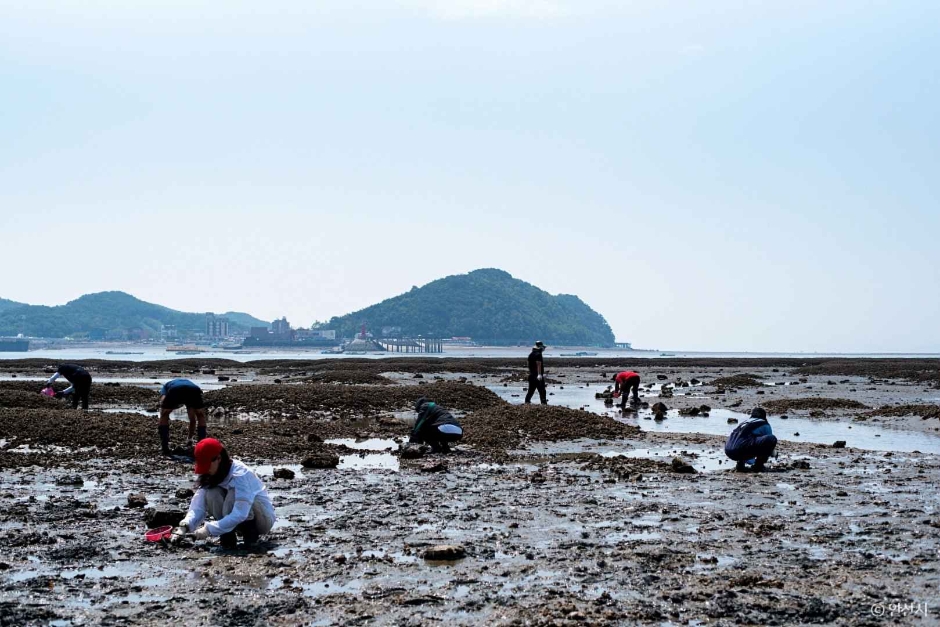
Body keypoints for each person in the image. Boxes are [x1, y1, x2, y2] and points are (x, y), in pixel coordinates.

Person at [171, 438, 275, 549]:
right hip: (236, 519)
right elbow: (197, 507)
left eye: (207, 465)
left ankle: (251, 540)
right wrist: (184, 527)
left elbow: (240, 513)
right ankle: (227, 538)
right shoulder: (211, 474)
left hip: (262, 520)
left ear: (219, 458)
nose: (205, 470)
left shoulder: (240, 474)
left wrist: (207, 530)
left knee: (232, 496)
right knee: (212, 494)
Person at [158, 378, 208, 455]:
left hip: (175, 390)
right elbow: (192, 420)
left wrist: (166, 410)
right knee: (200, 415)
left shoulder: (165, 387)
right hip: (194, 390)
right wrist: (189, 438)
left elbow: (163, 402)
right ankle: (201, 446)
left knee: (164, 414)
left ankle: (165, 447)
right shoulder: (188, 384)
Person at [725, 407, 778, 472]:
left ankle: (740, 464)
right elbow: (769, 444)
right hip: (741, 449)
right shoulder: (763, 423)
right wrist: (774, 453)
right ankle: (758, 466)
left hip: (728, 450)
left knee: (744, 441)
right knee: (772, 438)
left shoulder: (744, 423)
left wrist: (750, 460)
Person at [524, 340, 548, 405]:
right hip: (537, 376)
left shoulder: (530, 354)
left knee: (530, 391)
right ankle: (543, 403)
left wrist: (531, 372)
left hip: (531, 375)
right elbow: (538, 364)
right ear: (540, 348)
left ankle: (527, 402)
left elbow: (528, 364)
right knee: (542, 391)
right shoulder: (538, 355)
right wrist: (539, 374)